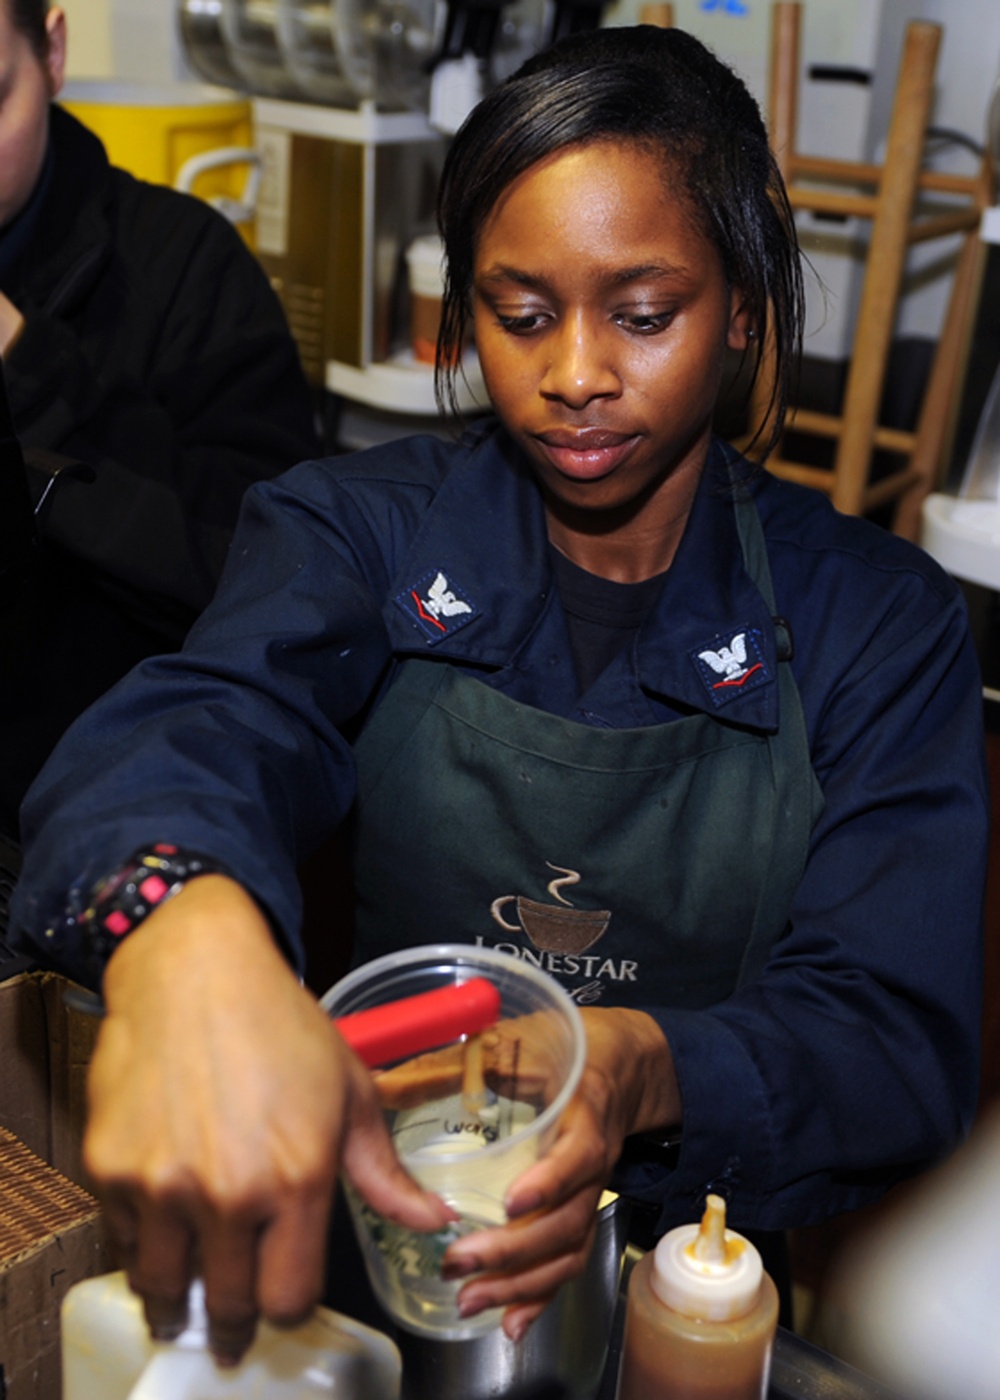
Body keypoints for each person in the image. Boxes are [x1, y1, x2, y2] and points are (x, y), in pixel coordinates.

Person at [9, 22, 988, 1370]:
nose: (575, 372)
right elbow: (196, 725)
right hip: (390, 1218)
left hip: (685, 1272)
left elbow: (896, 1038)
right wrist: (183, 937)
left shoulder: (875, 622)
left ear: (746, 304)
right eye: (519, 316)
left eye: (643, 315)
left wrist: (637, 1066)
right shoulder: (354, 531)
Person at [0, 0, 320, 836]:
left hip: (104, 827)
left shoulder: (188, 269)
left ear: (53, 52)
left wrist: (26, 366)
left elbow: (265, 582)